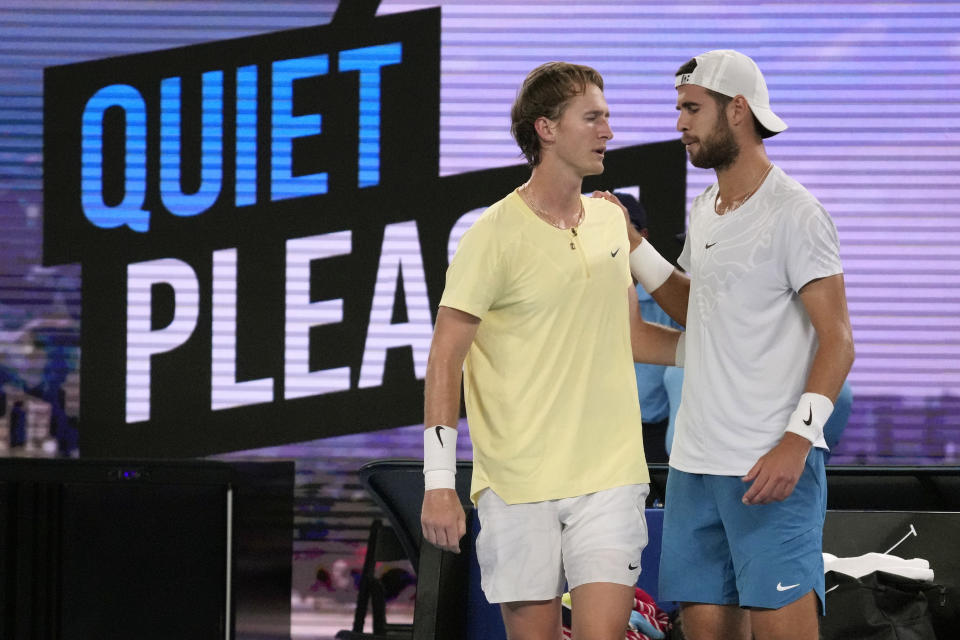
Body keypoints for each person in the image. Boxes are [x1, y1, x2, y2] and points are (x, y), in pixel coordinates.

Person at [420, 62, 682, 640]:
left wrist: (721, 353)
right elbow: (445, 358)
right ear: (546, 128)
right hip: (518, 484)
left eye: (608, 117)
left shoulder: (613, 222)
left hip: (611, 474)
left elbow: (632, 336)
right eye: (592, 117)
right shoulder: (491, 235)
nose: (608, 131)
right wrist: (439, 483)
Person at [599, 50, 855, 640]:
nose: (680, 124)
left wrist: (797, 443)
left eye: (692, 109)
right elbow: (699, 314)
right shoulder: (707, 209)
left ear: (737, 110)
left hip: (768, 468)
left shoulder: (797, 213)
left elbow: (838, 341)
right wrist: (633, 244)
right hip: (693, 468)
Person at [614, 192, 684, 464]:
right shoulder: (581, 293)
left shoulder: (669, 299)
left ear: (641, 234)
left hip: (654, 433)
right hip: (601, 429)